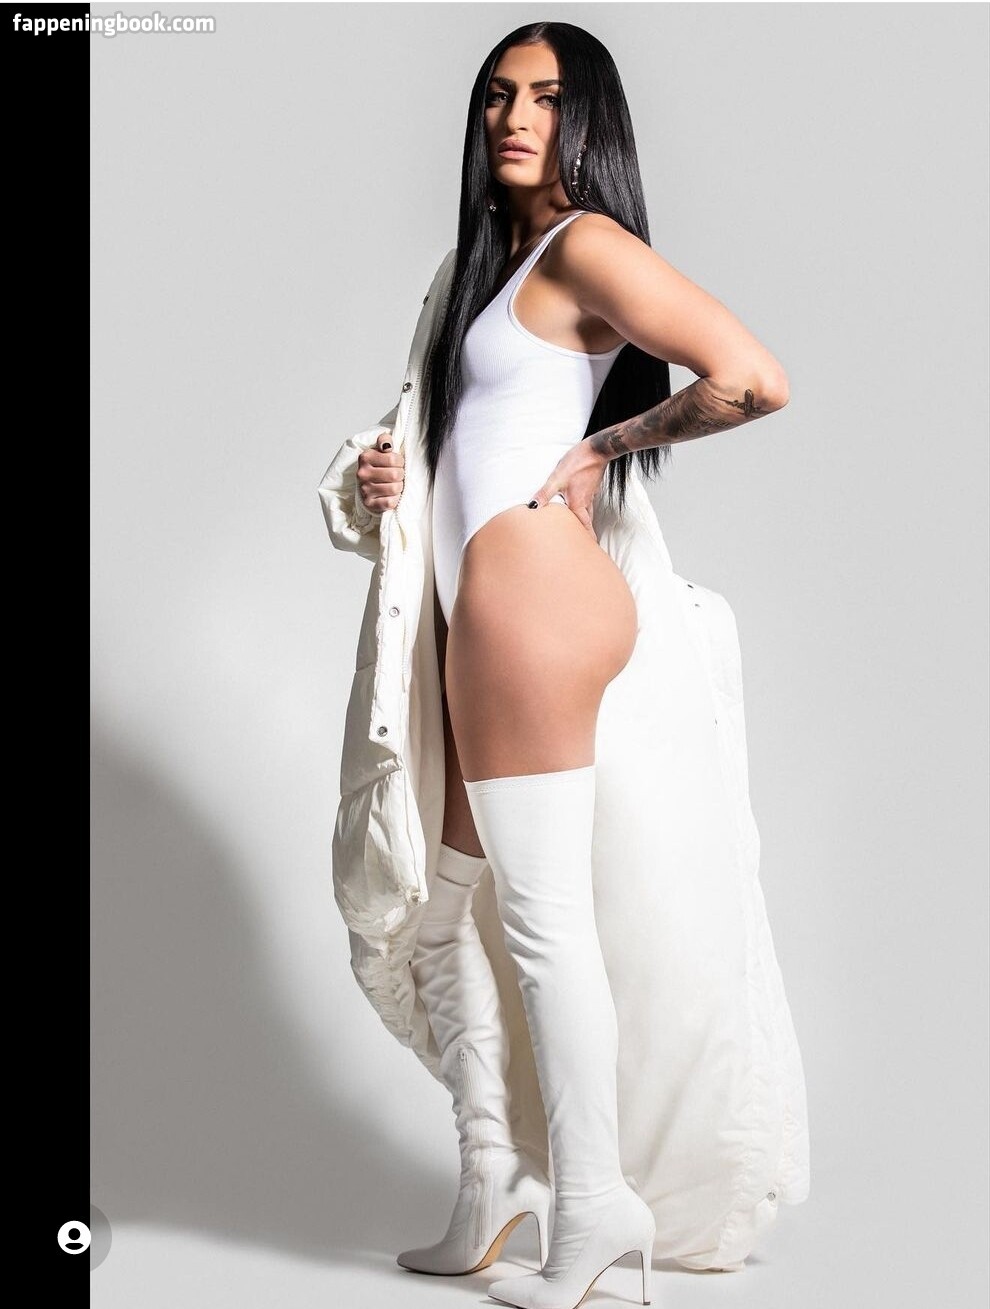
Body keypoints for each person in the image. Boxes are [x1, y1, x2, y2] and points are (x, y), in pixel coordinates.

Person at [342, 22, 795, 1309]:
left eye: (546, 96)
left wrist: (608, 446)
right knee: (441, 911)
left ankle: (596, 1206)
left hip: (529, 594)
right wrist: (390, 472)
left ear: (587, 118)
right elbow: (472, 433)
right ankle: (493, 1177)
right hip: (485, 603)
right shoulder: (487, 271)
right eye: (498, 95)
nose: (515, 117)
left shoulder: (584, 244)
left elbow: (753, 379)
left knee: (542, 924)